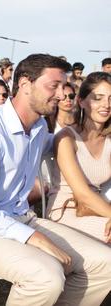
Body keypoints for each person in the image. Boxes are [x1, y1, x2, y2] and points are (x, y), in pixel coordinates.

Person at [0, 53, 111, 305]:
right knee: (47, 277)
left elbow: (62, 145)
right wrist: (32, 237)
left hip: (21, 217)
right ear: (24, 84)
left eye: (63, 87)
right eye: (53, 86)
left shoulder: (39, 128)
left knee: (106, 264)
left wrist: (93, 129)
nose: (60, 94)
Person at [47, 72, 111, 244]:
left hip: (99, 209)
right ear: (81, 101)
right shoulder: (66, 138)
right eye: (98, 98)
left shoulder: (109, 139)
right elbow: (82, 194)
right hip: (67, 211)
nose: (106, 104)